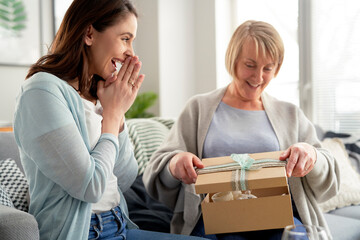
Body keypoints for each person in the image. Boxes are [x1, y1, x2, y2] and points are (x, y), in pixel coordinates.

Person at [13, 0, 206, 239]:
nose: (131, 53)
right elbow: (90, 187)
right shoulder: (41, 92)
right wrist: (113, 116)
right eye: (125, 38)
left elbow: (124, 177)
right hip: (81, 233)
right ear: (89, 33)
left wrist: (116, 113)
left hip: (118, 224)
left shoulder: (98, 96)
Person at [143, 20, 340, 240]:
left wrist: (311, 155)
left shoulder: (290, 113)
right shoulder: (198, 108)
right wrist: (175, 164)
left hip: (277, 219)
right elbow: (158, 169)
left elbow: (328, 173)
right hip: (214, 220)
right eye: (250, 65)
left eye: (268, 68)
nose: (258, 78)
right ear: (233, 60)